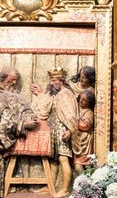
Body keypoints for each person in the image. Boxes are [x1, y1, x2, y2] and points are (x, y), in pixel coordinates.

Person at [31, 67, 78, 198]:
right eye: (51, 81)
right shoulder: (56, 94)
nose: (52, 83)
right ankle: (50, 187)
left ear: (60, 80)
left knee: (63, 159)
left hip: (63, 131)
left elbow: (71, 114)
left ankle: (64, 190)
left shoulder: (66, 94)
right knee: (54, 160)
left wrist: (70, 130)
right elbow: (46, 108)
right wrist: (39, 94)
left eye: (54, 80)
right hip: (54, 131)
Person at [0, 67, 38, 196]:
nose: (14, 84)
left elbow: (25, 109)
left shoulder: (16, 95)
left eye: (16, 81)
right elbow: (4, 122)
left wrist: (30, 117)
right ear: (3, 79)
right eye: (11, 81)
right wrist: (23, 125)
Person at [72, 89, 95, 174]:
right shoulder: (77, 109)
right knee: (77, 165)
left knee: (79, 166)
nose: (82, 101)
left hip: (84, 142)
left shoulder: (88, 113)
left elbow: (85, 126)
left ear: (89, 102)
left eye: (85, 100)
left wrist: (73, 122)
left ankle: (84, 184)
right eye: (81, 98)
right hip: (78, 142)